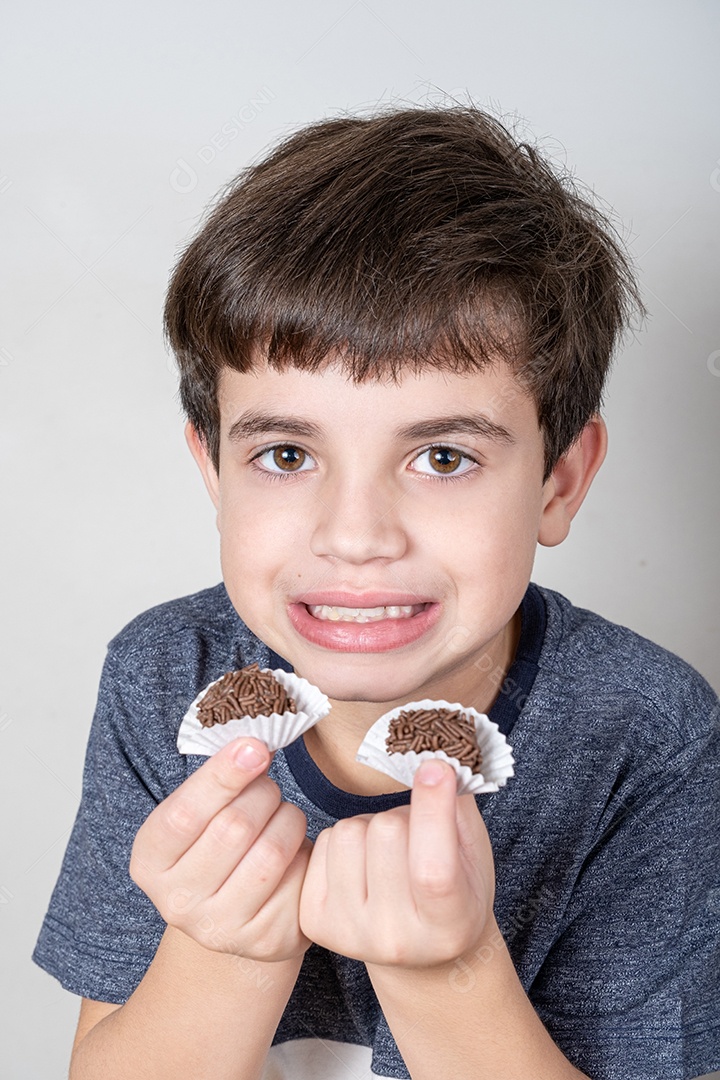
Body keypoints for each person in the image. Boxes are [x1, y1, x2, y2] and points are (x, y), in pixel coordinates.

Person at [33, 106, 719, 1080]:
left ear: (559, 481)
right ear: (213, 474)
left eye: (442, 456)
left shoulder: (647, 739)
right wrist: (223, 949)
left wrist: (450, 976)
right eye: (284, 454)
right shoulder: (162, 680)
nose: (355, 535)